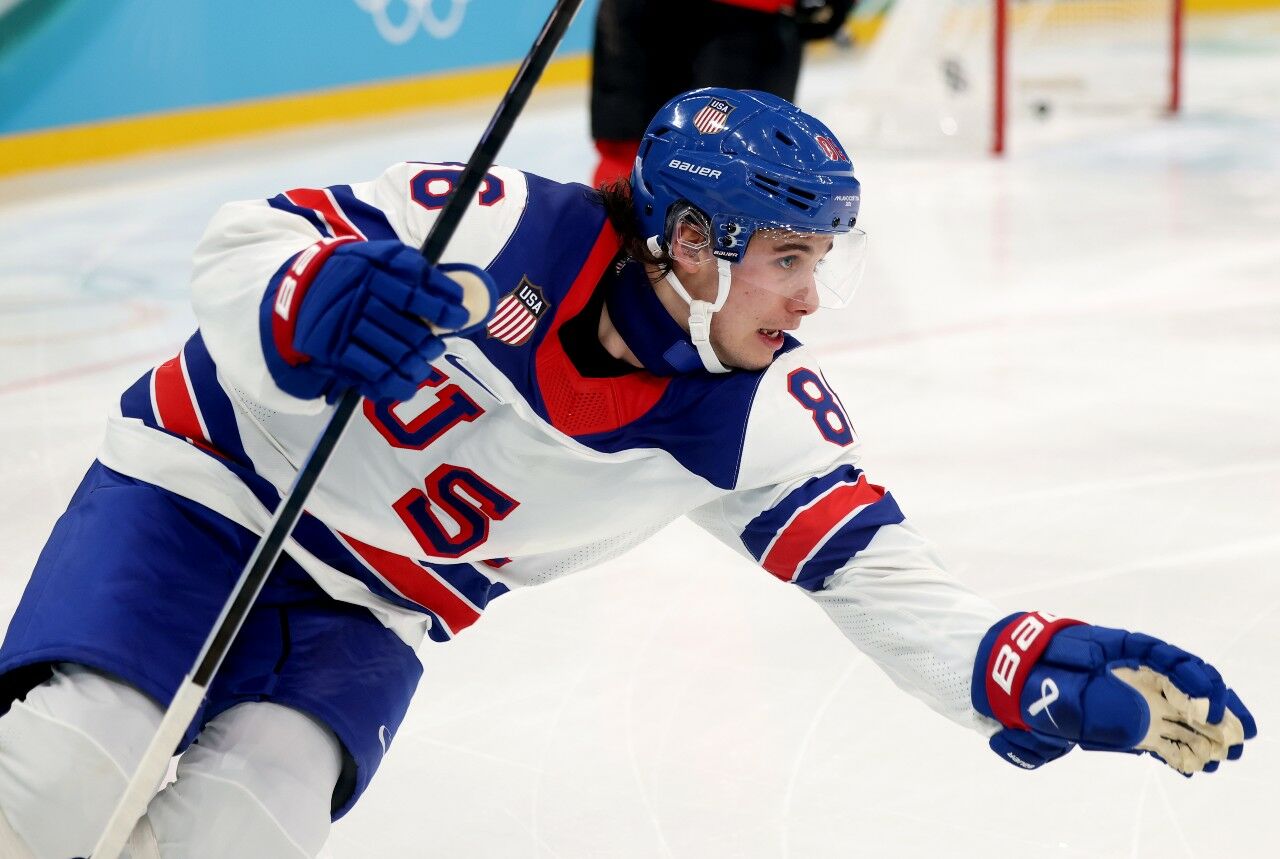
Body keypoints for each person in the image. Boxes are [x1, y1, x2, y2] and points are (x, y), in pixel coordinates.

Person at [0, 87, 1255, 858]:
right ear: (694, 242)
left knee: (245, 831)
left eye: (824, 260)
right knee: (63, 774)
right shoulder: (496, 219)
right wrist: (308, 295)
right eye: (787, 259)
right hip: (209, 499)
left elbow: (885, 583)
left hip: (370, 606)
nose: (811, 299)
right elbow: (249, 237)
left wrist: (1013, 666)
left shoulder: (753, 419)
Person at [590, 0, 857, 185]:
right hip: (746, 16)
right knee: (742, 163)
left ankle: (621, 258)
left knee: (634, 155)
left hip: (739, 17)